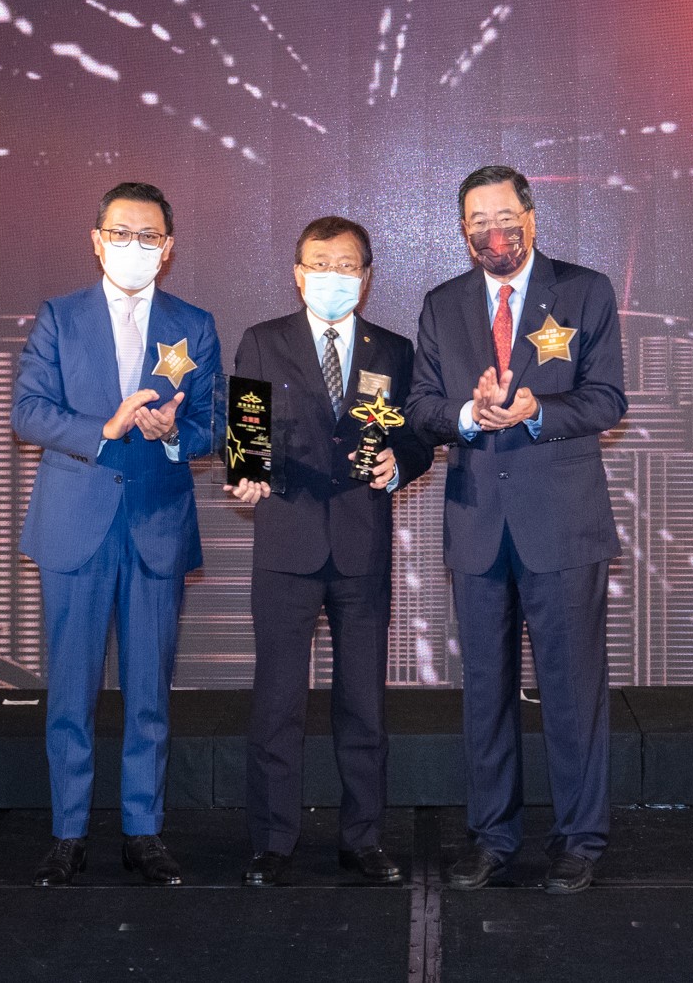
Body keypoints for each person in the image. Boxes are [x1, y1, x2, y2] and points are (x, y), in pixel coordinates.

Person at [405, 165, 627, 895]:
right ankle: (492, 838)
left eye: (504, 216)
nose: (492, 231)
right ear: (462, 229)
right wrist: (469, 415)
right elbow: (423, 407)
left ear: (530, 218)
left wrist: (536, 411)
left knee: (572, 691)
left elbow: (607, 398)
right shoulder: (443, 305)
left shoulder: (585, 291)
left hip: (562, 524)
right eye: (477, 220)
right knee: (485, 693)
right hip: (477, 524)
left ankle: (579, 840)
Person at [11, 181, 221, 887]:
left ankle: (143, 831)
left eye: (149, 236)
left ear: (169, 247)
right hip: (75, 524)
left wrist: (172, 435)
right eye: (121, 234)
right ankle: (68, 833)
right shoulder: (60, 317)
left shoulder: (194, 323)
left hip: (156, 525)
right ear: (97, 241)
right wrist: (103, 429)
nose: (135, 246)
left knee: (149, 692)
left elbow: (214, 423)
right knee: (71, 691)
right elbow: (27, 412)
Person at [226, 215, 435, 888]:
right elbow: (247, 433)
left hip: (361, 545)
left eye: (347, 266)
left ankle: (363, 839)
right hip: (285, 544)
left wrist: (400, 465)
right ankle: (272, 842)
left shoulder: (393, 351)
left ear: (366, 278)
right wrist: (246, 472)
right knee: (277, 702)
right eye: (320, 264)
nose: (333, 276)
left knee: (364, 702)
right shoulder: (263, 341)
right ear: (298, 273)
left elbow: (418, 436)